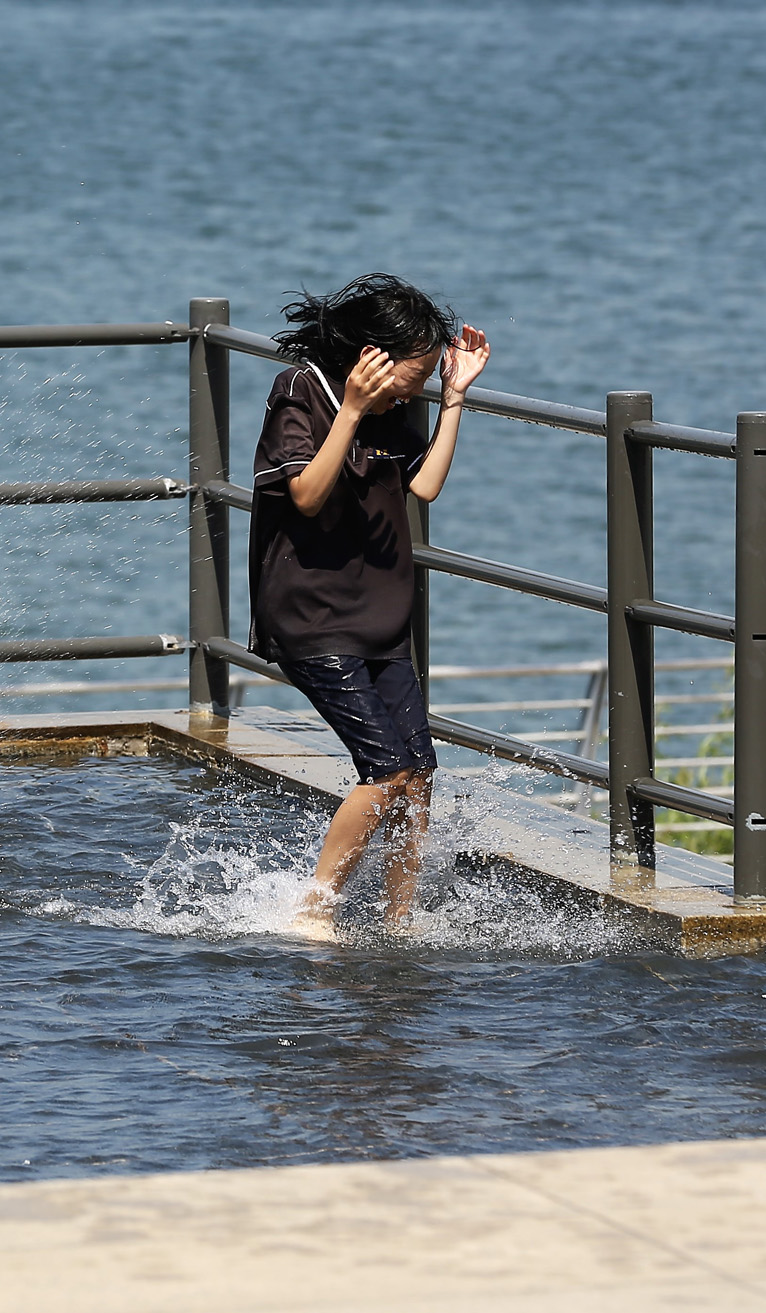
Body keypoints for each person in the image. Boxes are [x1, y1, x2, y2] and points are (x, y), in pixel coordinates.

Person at [247, 273, 490, 935]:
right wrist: (351, 410)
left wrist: (454, 398)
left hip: (381, 619)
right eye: (416, 370)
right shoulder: (302, 392)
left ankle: (398, 917)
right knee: (387, 769)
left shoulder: (398, 406)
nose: (417, 383)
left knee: (420, 774)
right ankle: (313, 909)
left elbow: (427, 487)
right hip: (312, 617)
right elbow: (305, 494)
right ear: (370, 358)